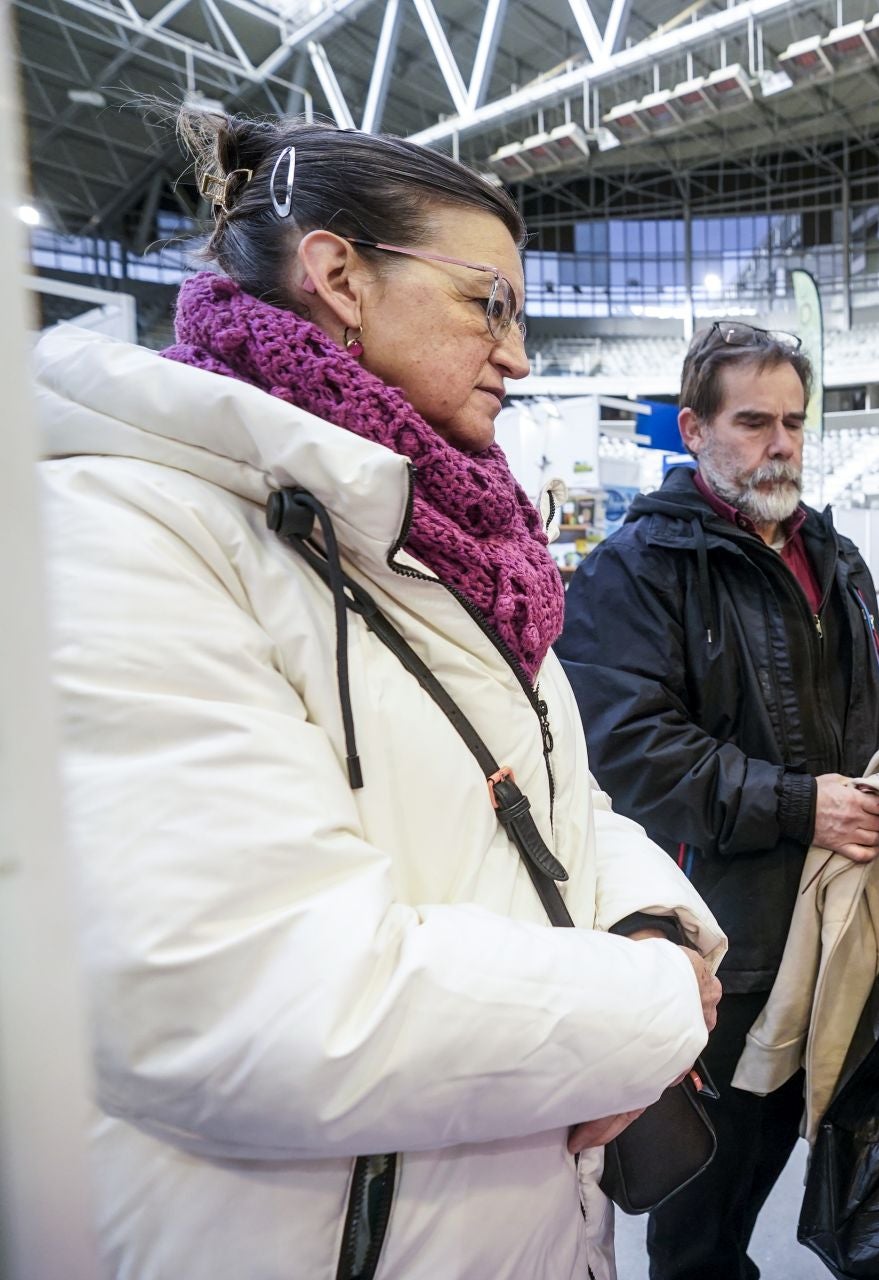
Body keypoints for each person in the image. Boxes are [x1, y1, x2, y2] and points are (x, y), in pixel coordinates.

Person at [33, 113, 724, 1280]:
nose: (518, 356)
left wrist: (649, 923)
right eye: (488, 304)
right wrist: (653, 1003)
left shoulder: (453, 539)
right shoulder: (122, 528)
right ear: (341, 276)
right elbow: (253, 995)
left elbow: (560, 796)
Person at [556, 321, 879, 1280]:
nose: (782, 445)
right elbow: (629, 751)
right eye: (755, 422)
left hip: (848, 934)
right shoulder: (637, 568)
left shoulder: (832, 555)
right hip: (726, 957)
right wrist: (801, 805)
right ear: (694, 429)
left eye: (794, 423)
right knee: (701, 1230)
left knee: (862, 1187)